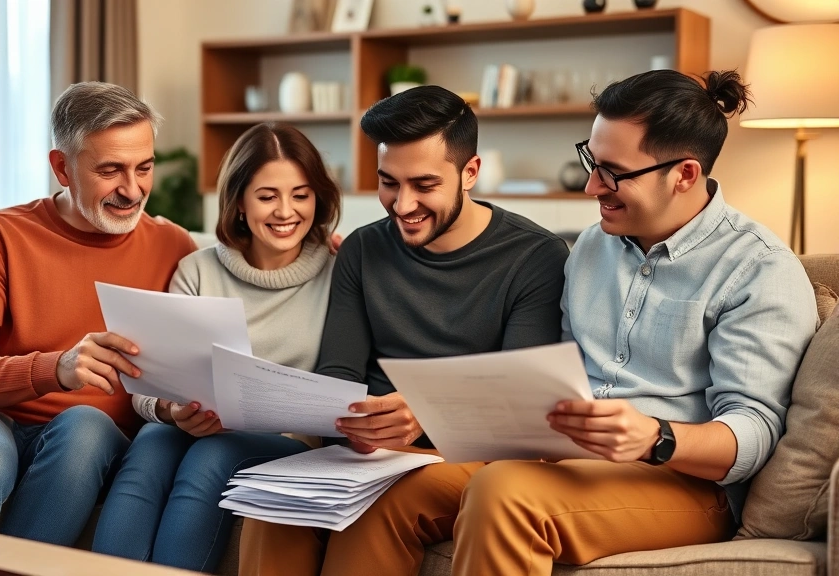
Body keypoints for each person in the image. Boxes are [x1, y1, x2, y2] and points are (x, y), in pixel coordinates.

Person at [452, 70, 819, 575]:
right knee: (403, 488)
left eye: (613, 172)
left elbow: (753, 431)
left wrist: (654, 437)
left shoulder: (759, 269)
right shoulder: (590, 247)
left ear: (684, 174)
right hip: (567, 464)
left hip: (684, 484)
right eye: (590, 161)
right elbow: (561, 377)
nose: (590, 186)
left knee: (504, 493)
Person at [239, 85, 570, 576]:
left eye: (424, 184)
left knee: (386, 505)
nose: (401, 204)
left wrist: (423, 414)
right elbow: (339, 372)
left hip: (473, 456)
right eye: (388, 182)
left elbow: (517, 409)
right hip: (370, 452)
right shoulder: (362, 250)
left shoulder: (535, 257)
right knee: (274, 505)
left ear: (470, 173)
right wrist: (346, 417)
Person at [0, 82, 196, 546]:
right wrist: (56, 367)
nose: (133, 189)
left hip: (89, 436)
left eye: (144, 167)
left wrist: (327, 250)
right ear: (62, 168)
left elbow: (245, 261)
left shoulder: (175, 247)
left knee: (87, 427)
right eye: (110, 170)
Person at [92, 122, 342, 572]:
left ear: (318, 198)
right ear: (240, 203)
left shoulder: (342, 271)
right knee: (149, 448)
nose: (286, 211)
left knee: (215, 454)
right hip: (195, 425)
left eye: (301, 194)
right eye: (267, 196)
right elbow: (147, 381)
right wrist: (171, 412)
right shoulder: (198, 271)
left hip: (293, 441)